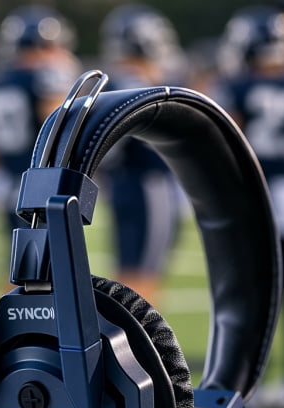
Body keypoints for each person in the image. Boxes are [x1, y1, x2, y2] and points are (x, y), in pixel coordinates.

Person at [217, 6, 284, 371]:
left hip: (255, 190)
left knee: (253, 288)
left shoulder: (240, 85)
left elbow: (229, 138)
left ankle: (249, 376)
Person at [97, 4, 187, 305]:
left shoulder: (111, 85)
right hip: (149, 186)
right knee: (144, 275)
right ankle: (142, 347)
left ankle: (123, 342)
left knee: (124, 273)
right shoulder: (144, 86)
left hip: (120, 185)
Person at [0, 5, 79, 241]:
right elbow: (57, 121)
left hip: (9, 179)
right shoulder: (44, 76)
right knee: (45, 263)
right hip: (39, 181)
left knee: (19, 261)